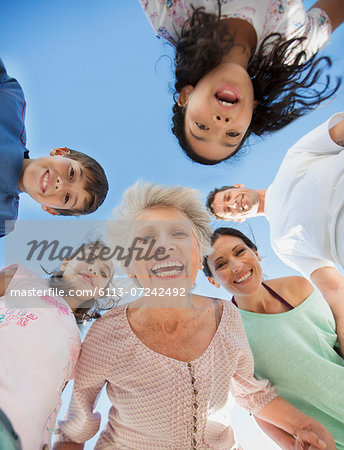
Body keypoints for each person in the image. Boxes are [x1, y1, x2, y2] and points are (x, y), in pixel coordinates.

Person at [54, 182, 334, 449]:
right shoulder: (106, 334)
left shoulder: (227, 317)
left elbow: (252, 393)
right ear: (130, 265)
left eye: (178, 234)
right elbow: (75, 429)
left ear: (198, 253)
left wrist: (303, 426)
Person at [139, 0, 343, 164]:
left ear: (186, 96)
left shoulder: (170, 15)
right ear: (252, 112)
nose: (221, 123)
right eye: (232, 134)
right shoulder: (294, 48)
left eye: (201, 126)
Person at [206, 111, 344, 354]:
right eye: (227, 211)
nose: (232, 203)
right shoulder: (282, 244)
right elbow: (333, 289)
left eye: (228, 197)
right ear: (237, 218)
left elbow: (338, 132)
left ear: (239, 186)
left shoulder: (294, 159)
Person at [203, 227, 344, 449]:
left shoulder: (298, 287)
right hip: (326, 439)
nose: (236, 266)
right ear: (213, 281)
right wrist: (288, 443)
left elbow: (336, 339)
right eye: (221, 264)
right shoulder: (227, 334)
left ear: (256, 253)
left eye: (240, 252)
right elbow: (255, 401)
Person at [0, 240, 115, 450]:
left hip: (21, 431)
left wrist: (45, 438)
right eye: (88, 259)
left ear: (101, 292)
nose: (93, 269)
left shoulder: (80, 346)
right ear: (65, 263)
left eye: (104, 273)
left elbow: (54, 393)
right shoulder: (25, 279)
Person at [0, 57, 109, 238]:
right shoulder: (11, 101)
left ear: (50, 209)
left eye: (67, 198)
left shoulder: (4, 220)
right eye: (72, 173)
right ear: (59, 152)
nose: (61, 184)